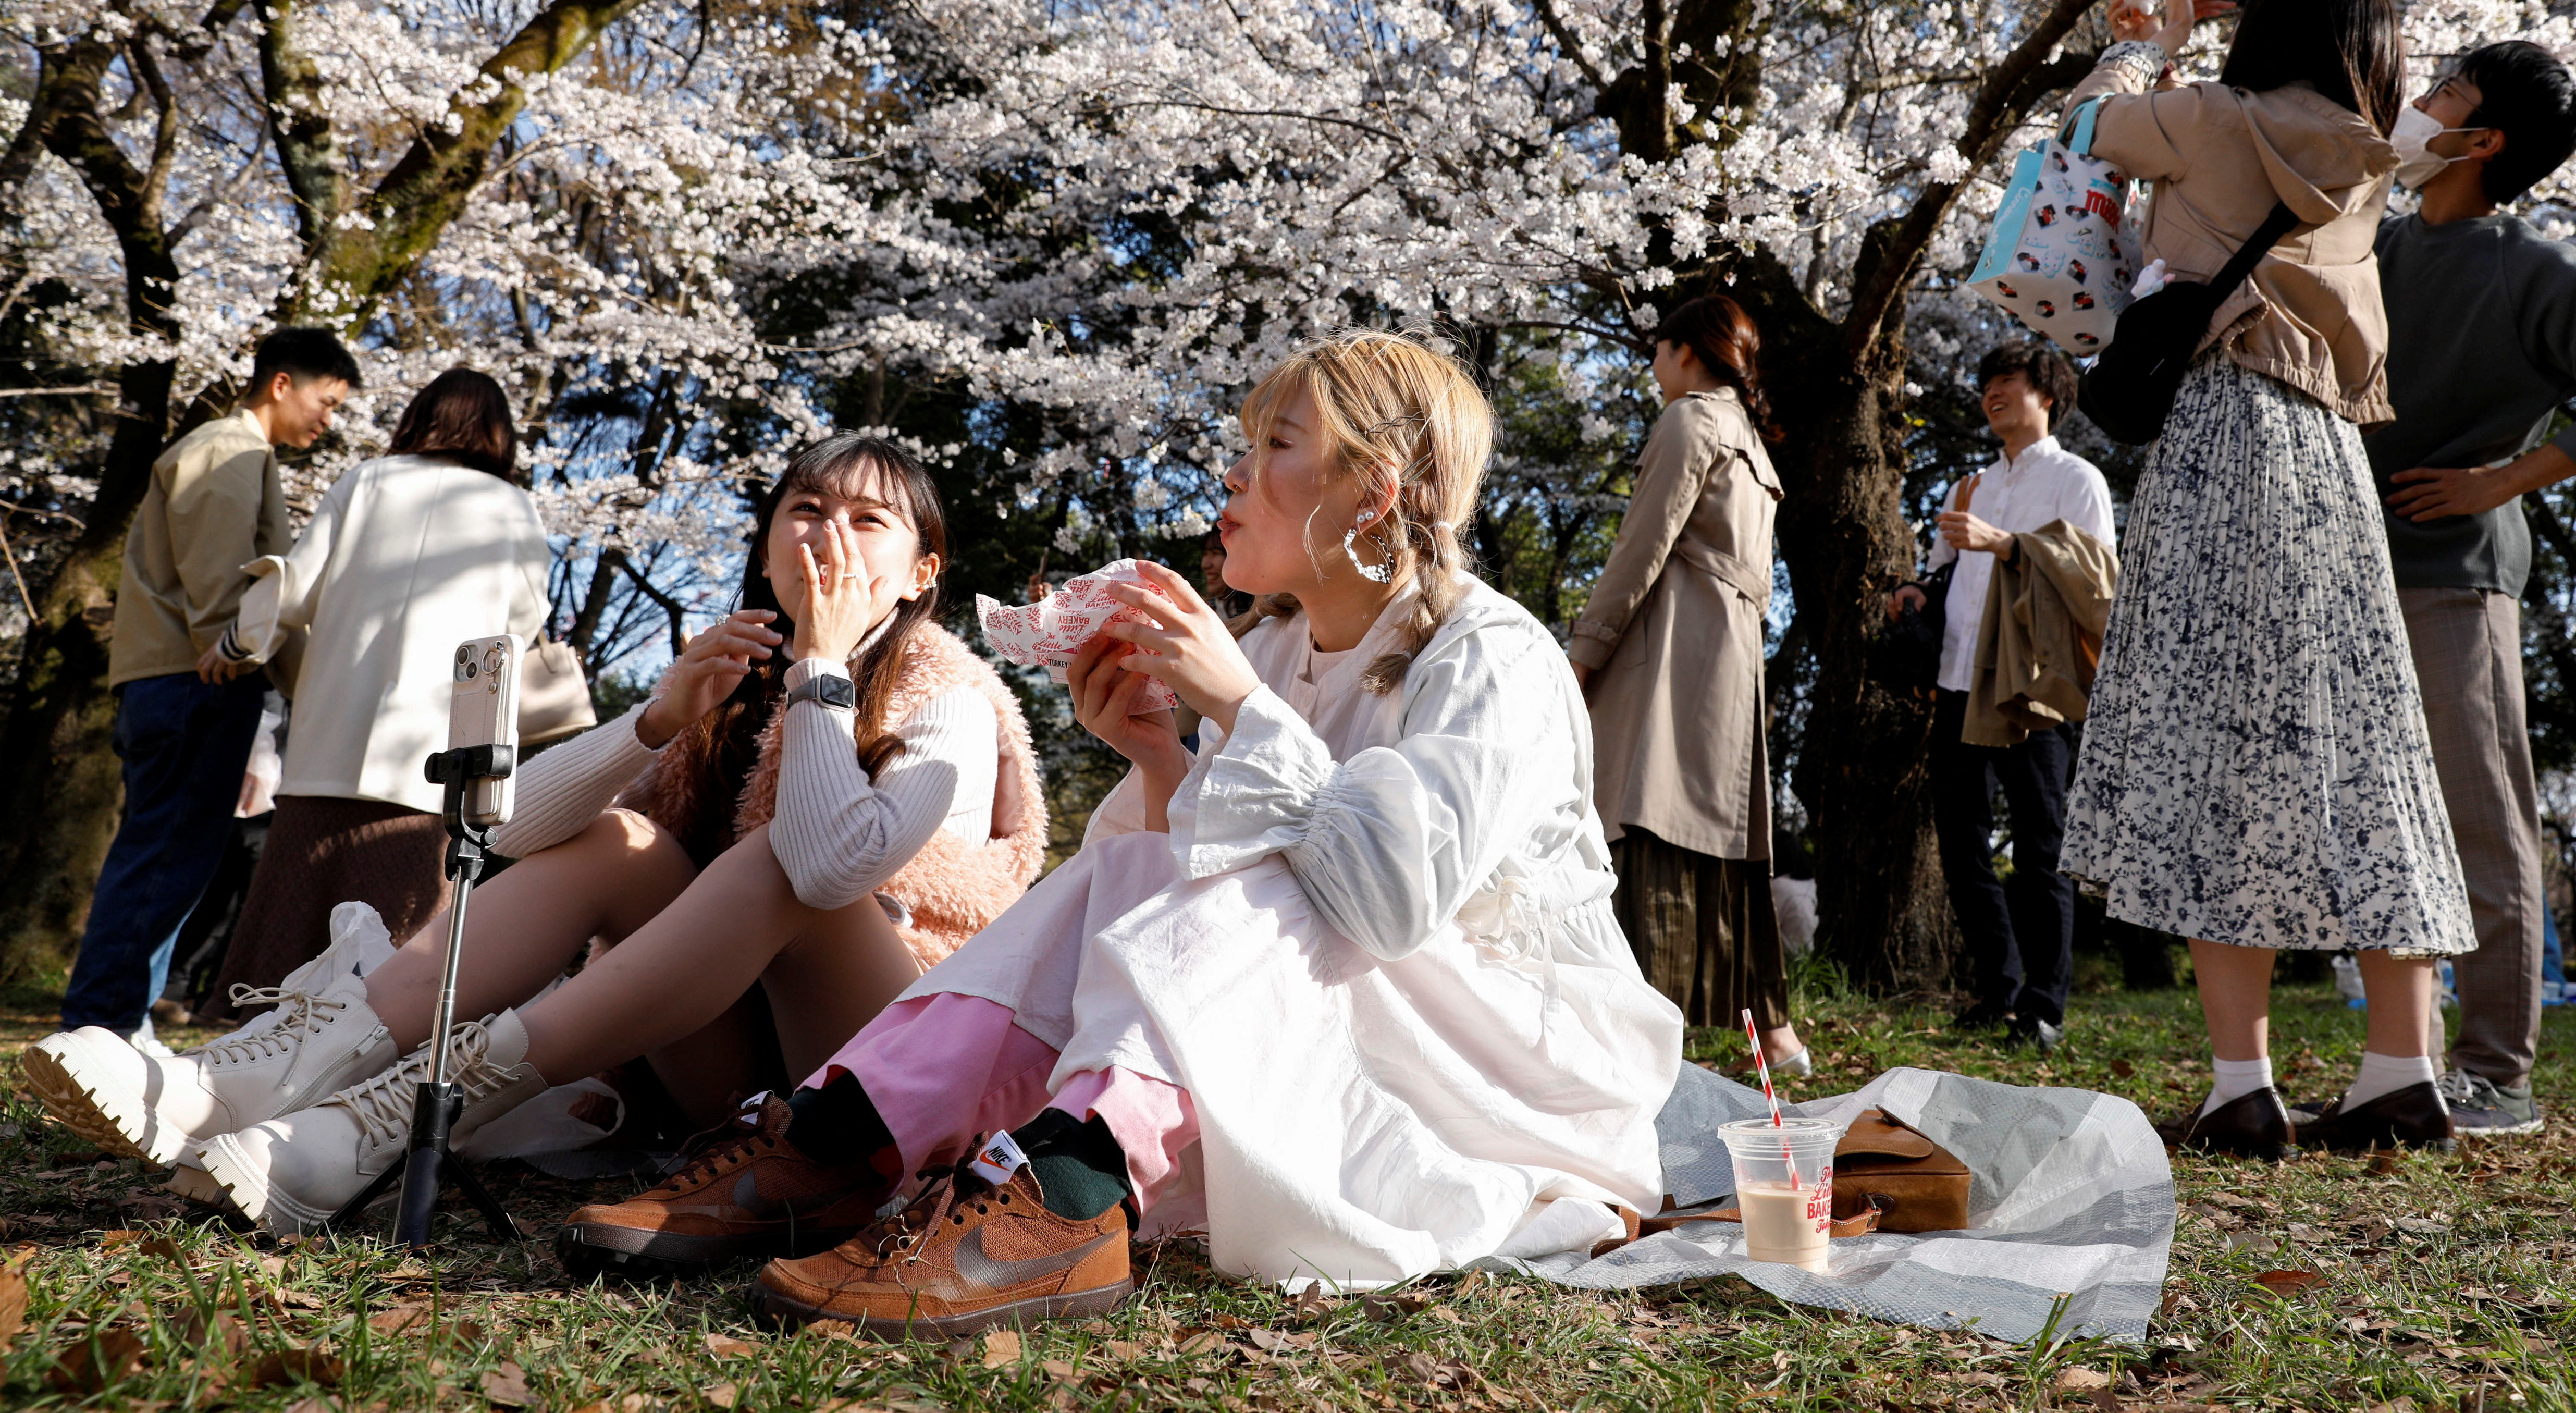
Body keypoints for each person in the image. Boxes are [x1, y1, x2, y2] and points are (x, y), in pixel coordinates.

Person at [545, 334, 1680, 1335]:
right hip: (1354, 1011)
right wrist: (1157, 757)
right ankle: (849, 1138)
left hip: (1507, 1065)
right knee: (1127, 854)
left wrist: (1235, 709)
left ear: (1371, 494)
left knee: (1215, 867)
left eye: (1274, 444)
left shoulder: (1493, 657)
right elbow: (1195, 876)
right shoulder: (1286, 650)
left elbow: (1383, 900)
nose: (1231, 474)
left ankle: (1072, 1189)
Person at [21, 434, 1046, 1231]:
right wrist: (652, 721)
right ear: (768, 538)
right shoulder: (738, 689)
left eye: (869, 521)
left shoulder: (944, 693)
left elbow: (827, 870)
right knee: (622, 847)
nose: (827, 534)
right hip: (742, 1085)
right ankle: (260, 1078)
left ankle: (389, 1119)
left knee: (777, 857)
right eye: (805, 508)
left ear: (922, 572)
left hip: (894, 1078)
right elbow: (515, 832)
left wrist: (824, 665)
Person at [2060, 0, 2474, 1159]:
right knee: (2365, 739)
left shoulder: (2208, 116)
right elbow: (2427, 117)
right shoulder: (2368, 149)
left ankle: (2241, 1082)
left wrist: (2151, 32)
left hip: (2217, 435)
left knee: (2210, 754)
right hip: (2330, 457)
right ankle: (2400, 1067)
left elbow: (2086, 126)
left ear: (2259, 29)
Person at [2367, 39, 2576, 1135]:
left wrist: (2504, 478)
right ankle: (2399, 1065)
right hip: (2346, 581)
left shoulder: (2529, 268)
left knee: (2479, 825)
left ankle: (2494, 1074)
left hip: (2453, 586)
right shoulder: (2367, 242)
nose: (2414, 104)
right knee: (2381, 833)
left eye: (2442, 95)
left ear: (2482, 139)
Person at [195, 370, 561, 1009]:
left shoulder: (365, 481)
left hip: (329, 748)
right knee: (400, 952)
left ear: (419, 416)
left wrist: (237, 642)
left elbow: (298, 585)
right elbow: (522, 623)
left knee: (289, 940)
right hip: (433, 759)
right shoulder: (511, 507)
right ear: (498, 431)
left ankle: (250, 1067)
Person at [51, 328, 358, 1042]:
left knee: (168, 858)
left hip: (178, 676)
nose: (328, 419)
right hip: (196, 676)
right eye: (326, 399)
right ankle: (101, 1027)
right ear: (281, 383)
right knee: (165, 859)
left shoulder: (240, 451)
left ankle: (112, 1021)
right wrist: (233, 641)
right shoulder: (230, 448)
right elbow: (222, 577)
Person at [1566, 296, 1803, 1072]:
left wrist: (1585, 652)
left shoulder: (1691, 420)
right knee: (1720, 829)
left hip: (1673, 646)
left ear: (1687, 351)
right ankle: (1769, 1026)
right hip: (1731, 655)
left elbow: (1641, 549)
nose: (1652, 365)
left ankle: (1639, 1035)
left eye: (1658, 348)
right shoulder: (1753, 441)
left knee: (1649, 810)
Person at [1901, 340, 2114, 1053]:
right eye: (1987, 382)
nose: (1993, 392)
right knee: (1962, 849)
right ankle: (1997, 989)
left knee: (2040, 847)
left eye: (2009, 381)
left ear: (2047, 393)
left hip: (2032, 685)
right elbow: (1941, 574)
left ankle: (2044, 1006)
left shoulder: (2077, 479)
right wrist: (1915, 590)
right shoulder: (1969, 485)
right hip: (1960, 678)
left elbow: (2096, 580)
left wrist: (2009, 543)